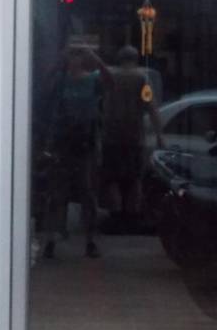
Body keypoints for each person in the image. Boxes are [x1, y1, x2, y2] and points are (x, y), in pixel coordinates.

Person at [42, 45, 111, 259]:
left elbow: (110, 82)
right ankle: (52, 239)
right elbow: (45, 85)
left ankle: (90, 240)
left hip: (85, 143)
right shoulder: (62, 80)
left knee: (87, 193)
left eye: (79, 54)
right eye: (72, 54)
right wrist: (59, 60)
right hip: (63, 143)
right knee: (57, 194)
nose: (75, 58)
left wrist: (96, 58)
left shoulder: (92, 79)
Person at [101, 45, 163, 233]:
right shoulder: (141, 78)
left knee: (112, 178)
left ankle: (116, 216)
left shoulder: (109, 76)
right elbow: (151, 107)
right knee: (135, 178)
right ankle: (132, 217)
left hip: (111, 135)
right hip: (134, 136)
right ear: (135, 59)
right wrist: (159, 135)